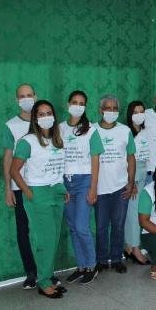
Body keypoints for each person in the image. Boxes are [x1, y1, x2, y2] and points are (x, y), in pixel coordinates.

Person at [10, 100, 67, 298]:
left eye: (49, 113)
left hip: (56, 191)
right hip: (37, 194)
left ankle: (48, 275)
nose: (46, 117)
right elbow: (14, 171)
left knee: (54, 236)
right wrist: (28, 192)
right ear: (35, 118)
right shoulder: (27, 141)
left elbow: (57, 168)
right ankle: (43, 282)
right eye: (41, 114)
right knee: (45, 239)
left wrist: (63, 189)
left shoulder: (57, 140)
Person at [60, 91, 104, 284]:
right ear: (68, 104)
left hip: (84, 181)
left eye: (82, 103)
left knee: (81, 226)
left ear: (86, 107)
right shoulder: (59, 128)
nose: (78, 106)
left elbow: (96, 160)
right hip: (66, 182)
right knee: (72, 227)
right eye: (74, 102)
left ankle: (92, 266)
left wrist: (93, 188)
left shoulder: (91, 129)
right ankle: (81, 266)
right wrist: (61, 187)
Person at [0, 83, 38, 289]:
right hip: (19, 186)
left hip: (42, 185)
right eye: (22, 96)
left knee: (44, 231)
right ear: (17, 100)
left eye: (29, 95)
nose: (26, 99)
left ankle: (47, 271)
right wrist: (8, 187)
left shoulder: (45, 121)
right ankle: (31, 272)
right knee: (23, 230)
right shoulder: (11, 126)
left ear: (36, 96)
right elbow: (7, 158)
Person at [93, 95, 136, 273]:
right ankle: (102, 260)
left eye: (114, 109)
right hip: (99, 188)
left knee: (118, 226)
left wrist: (131, 182)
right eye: (107, 108)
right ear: (100, 110)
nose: (111, 112)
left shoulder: (125, 130)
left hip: (120, 187)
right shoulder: (91, 130)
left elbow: (131, 158)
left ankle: (117, 258)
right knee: (101, 227)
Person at [123, 101, 151, 265]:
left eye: (142, 111)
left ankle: (129, 246)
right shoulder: (126, 132)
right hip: (132, 175)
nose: (139, 114)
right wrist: (130, 181)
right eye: (135, 112)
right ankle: (134, 248)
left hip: (145, 172)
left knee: (139, 211)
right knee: (134, 214)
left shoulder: (146, 131)